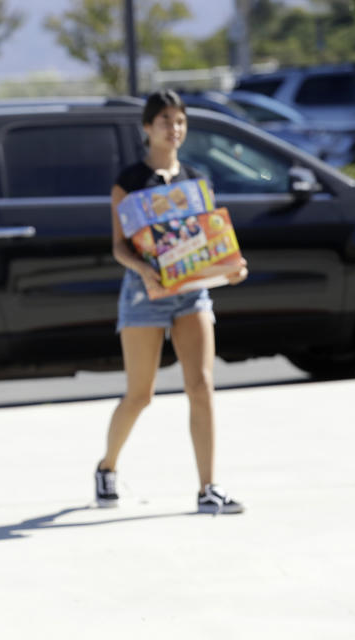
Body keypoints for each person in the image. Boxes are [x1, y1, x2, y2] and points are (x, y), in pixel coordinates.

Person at [95, 90, 247, 514]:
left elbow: (209, 245)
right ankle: (107, 467)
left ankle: (208, 488)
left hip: (191, 296)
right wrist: (143, 269)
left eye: (179, 121)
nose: (173, 128)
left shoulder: (196, 181)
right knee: (140, 395)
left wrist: (231, 268)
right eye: (165, 120)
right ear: (147, 127)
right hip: (144, 296)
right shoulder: (129, 182)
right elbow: (120, 246)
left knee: (201, 386)